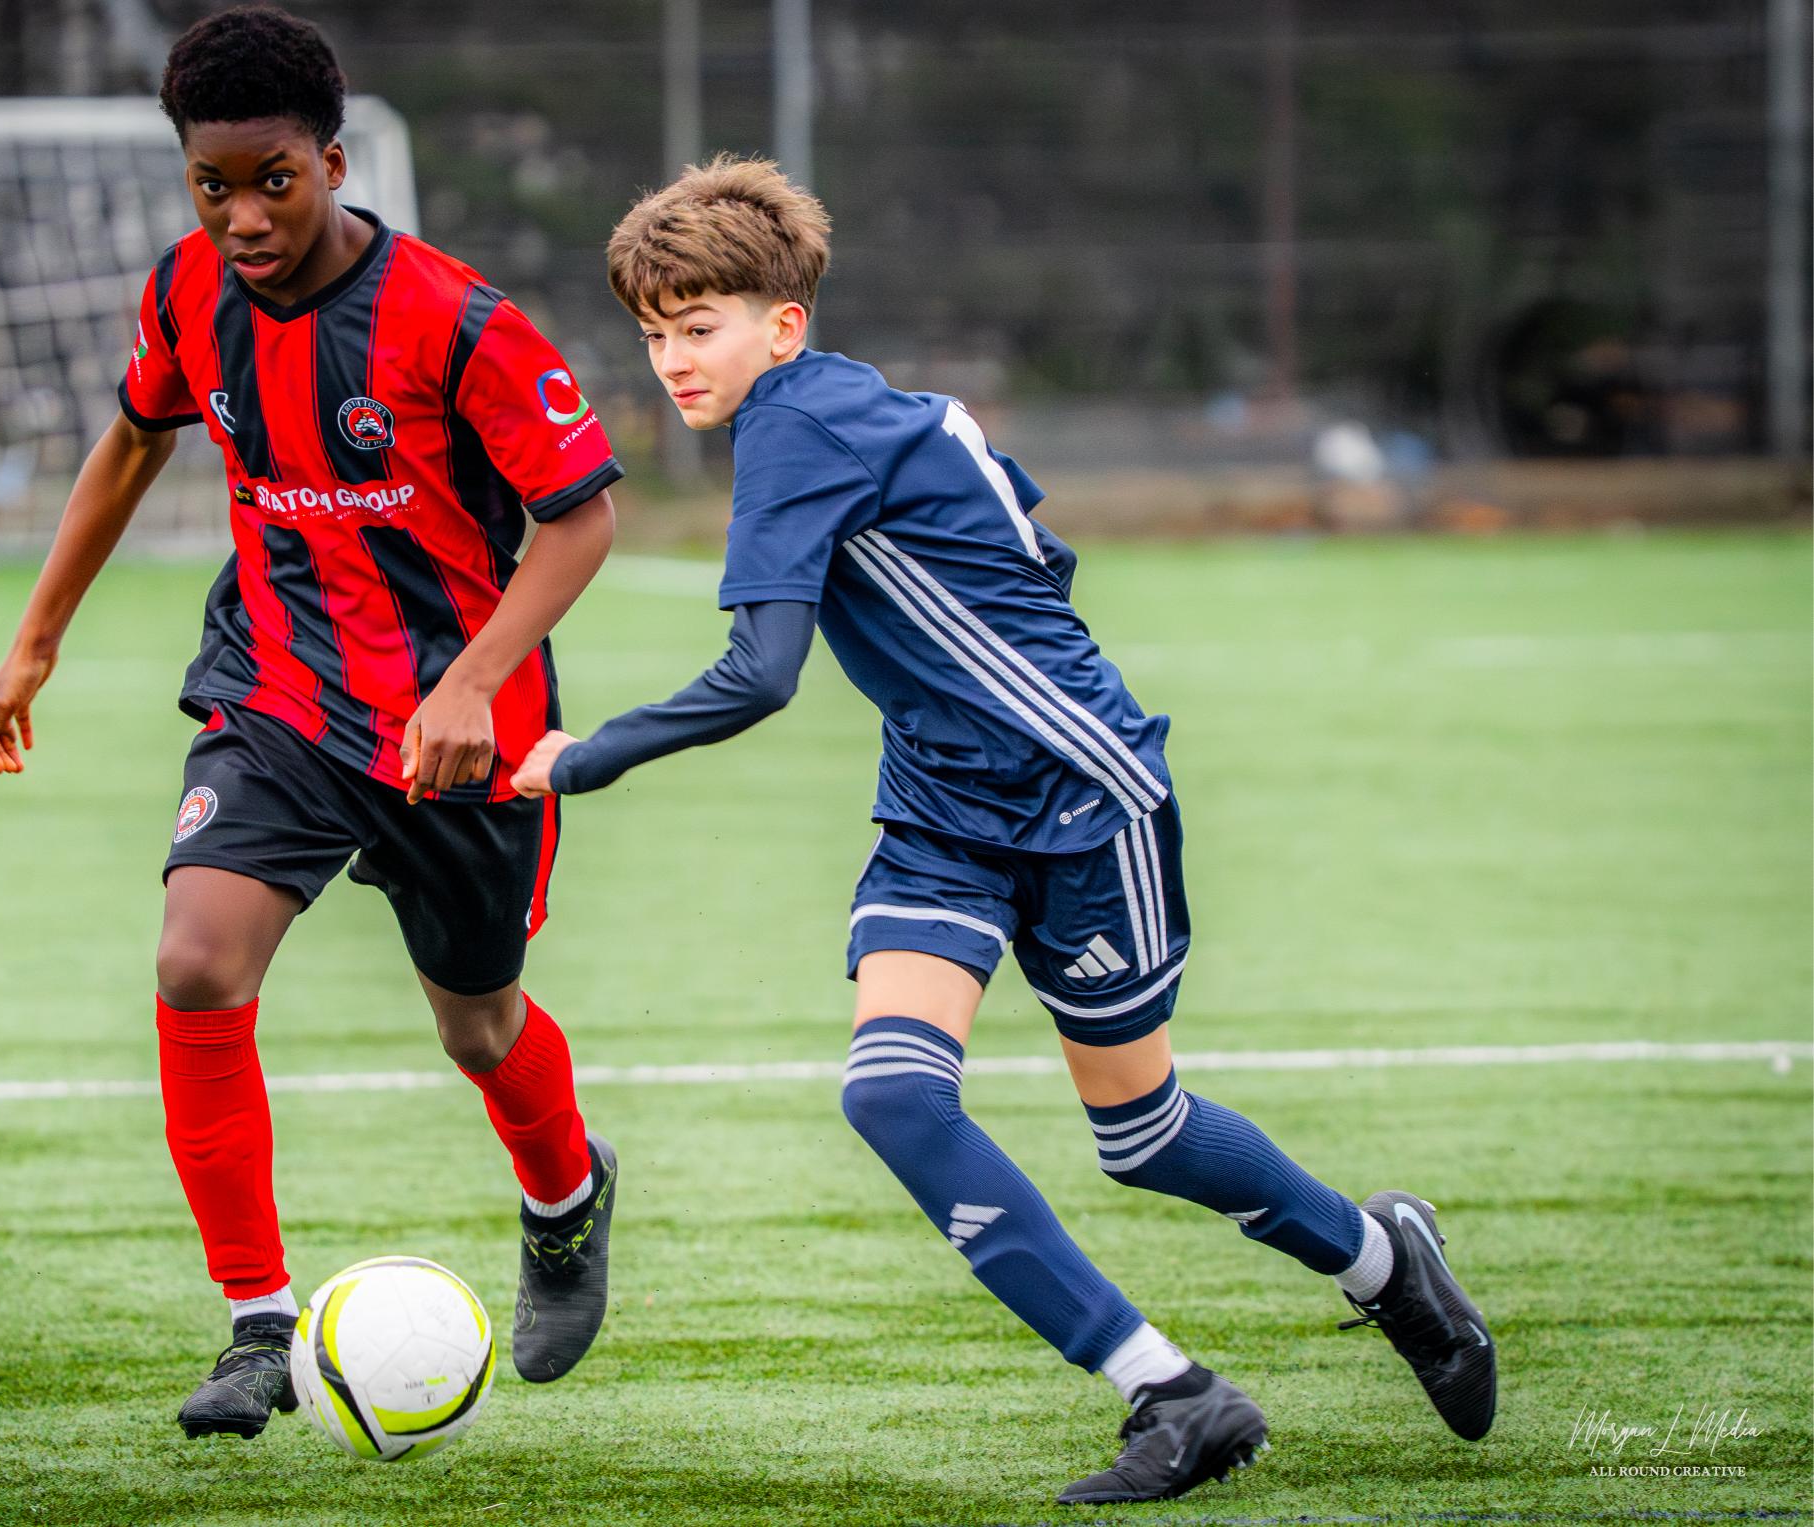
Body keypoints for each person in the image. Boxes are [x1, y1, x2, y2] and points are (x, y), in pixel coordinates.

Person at [510, 156, 1495, 1505]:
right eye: (652, 335)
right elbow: (1031, 540)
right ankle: (1173, 1394)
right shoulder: (869, 402)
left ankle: (1385, 1264)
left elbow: (761, 675)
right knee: (893, 1095)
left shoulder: (798, 429)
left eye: (698, 327)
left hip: (1083, 802)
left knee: (1144, 1136)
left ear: (782, 325)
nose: (673, 360)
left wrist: (582, 756)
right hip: (942, 808)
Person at [0, 7, 621, 1440]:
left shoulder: (457, 320)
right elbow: (135, 438)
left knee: (478, 1024)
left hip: (459, 726)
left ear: (332, 160)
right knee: (196, 961)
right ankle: (258, 1324)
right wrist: (36, 640)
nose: (245, 217)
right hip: (277, 688)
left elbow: (580, 521)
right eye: (214, 186)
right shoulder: (185, 292)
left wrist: (470, 681)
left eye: (273, 180)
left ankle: (567, 1199)